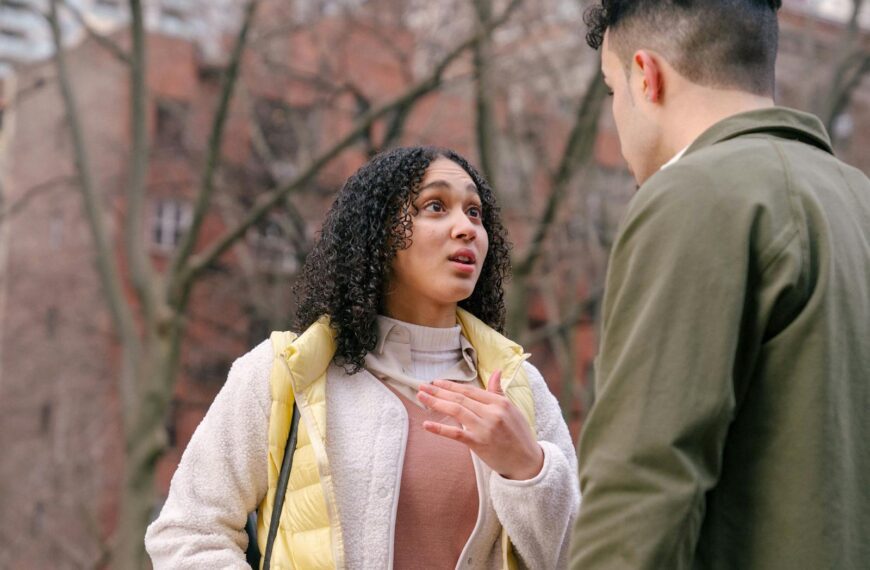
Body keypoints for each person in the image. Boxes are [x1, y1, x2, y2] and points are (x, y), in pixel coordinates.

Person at [145, 146, 579, 569]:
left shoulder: (519, 387)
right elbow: (188, 533)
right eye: (435, 206)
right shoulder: (289, 374)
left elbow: (582, 556)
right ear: (379, 233)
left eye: (474, 212)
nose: (466, 228)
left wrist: (529, 470)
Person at [570, 1, 870, 569]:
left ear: (646, 76)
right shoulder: (858, 201)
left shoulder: (693, 196)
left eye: (612, 89)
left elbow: (640, 488)